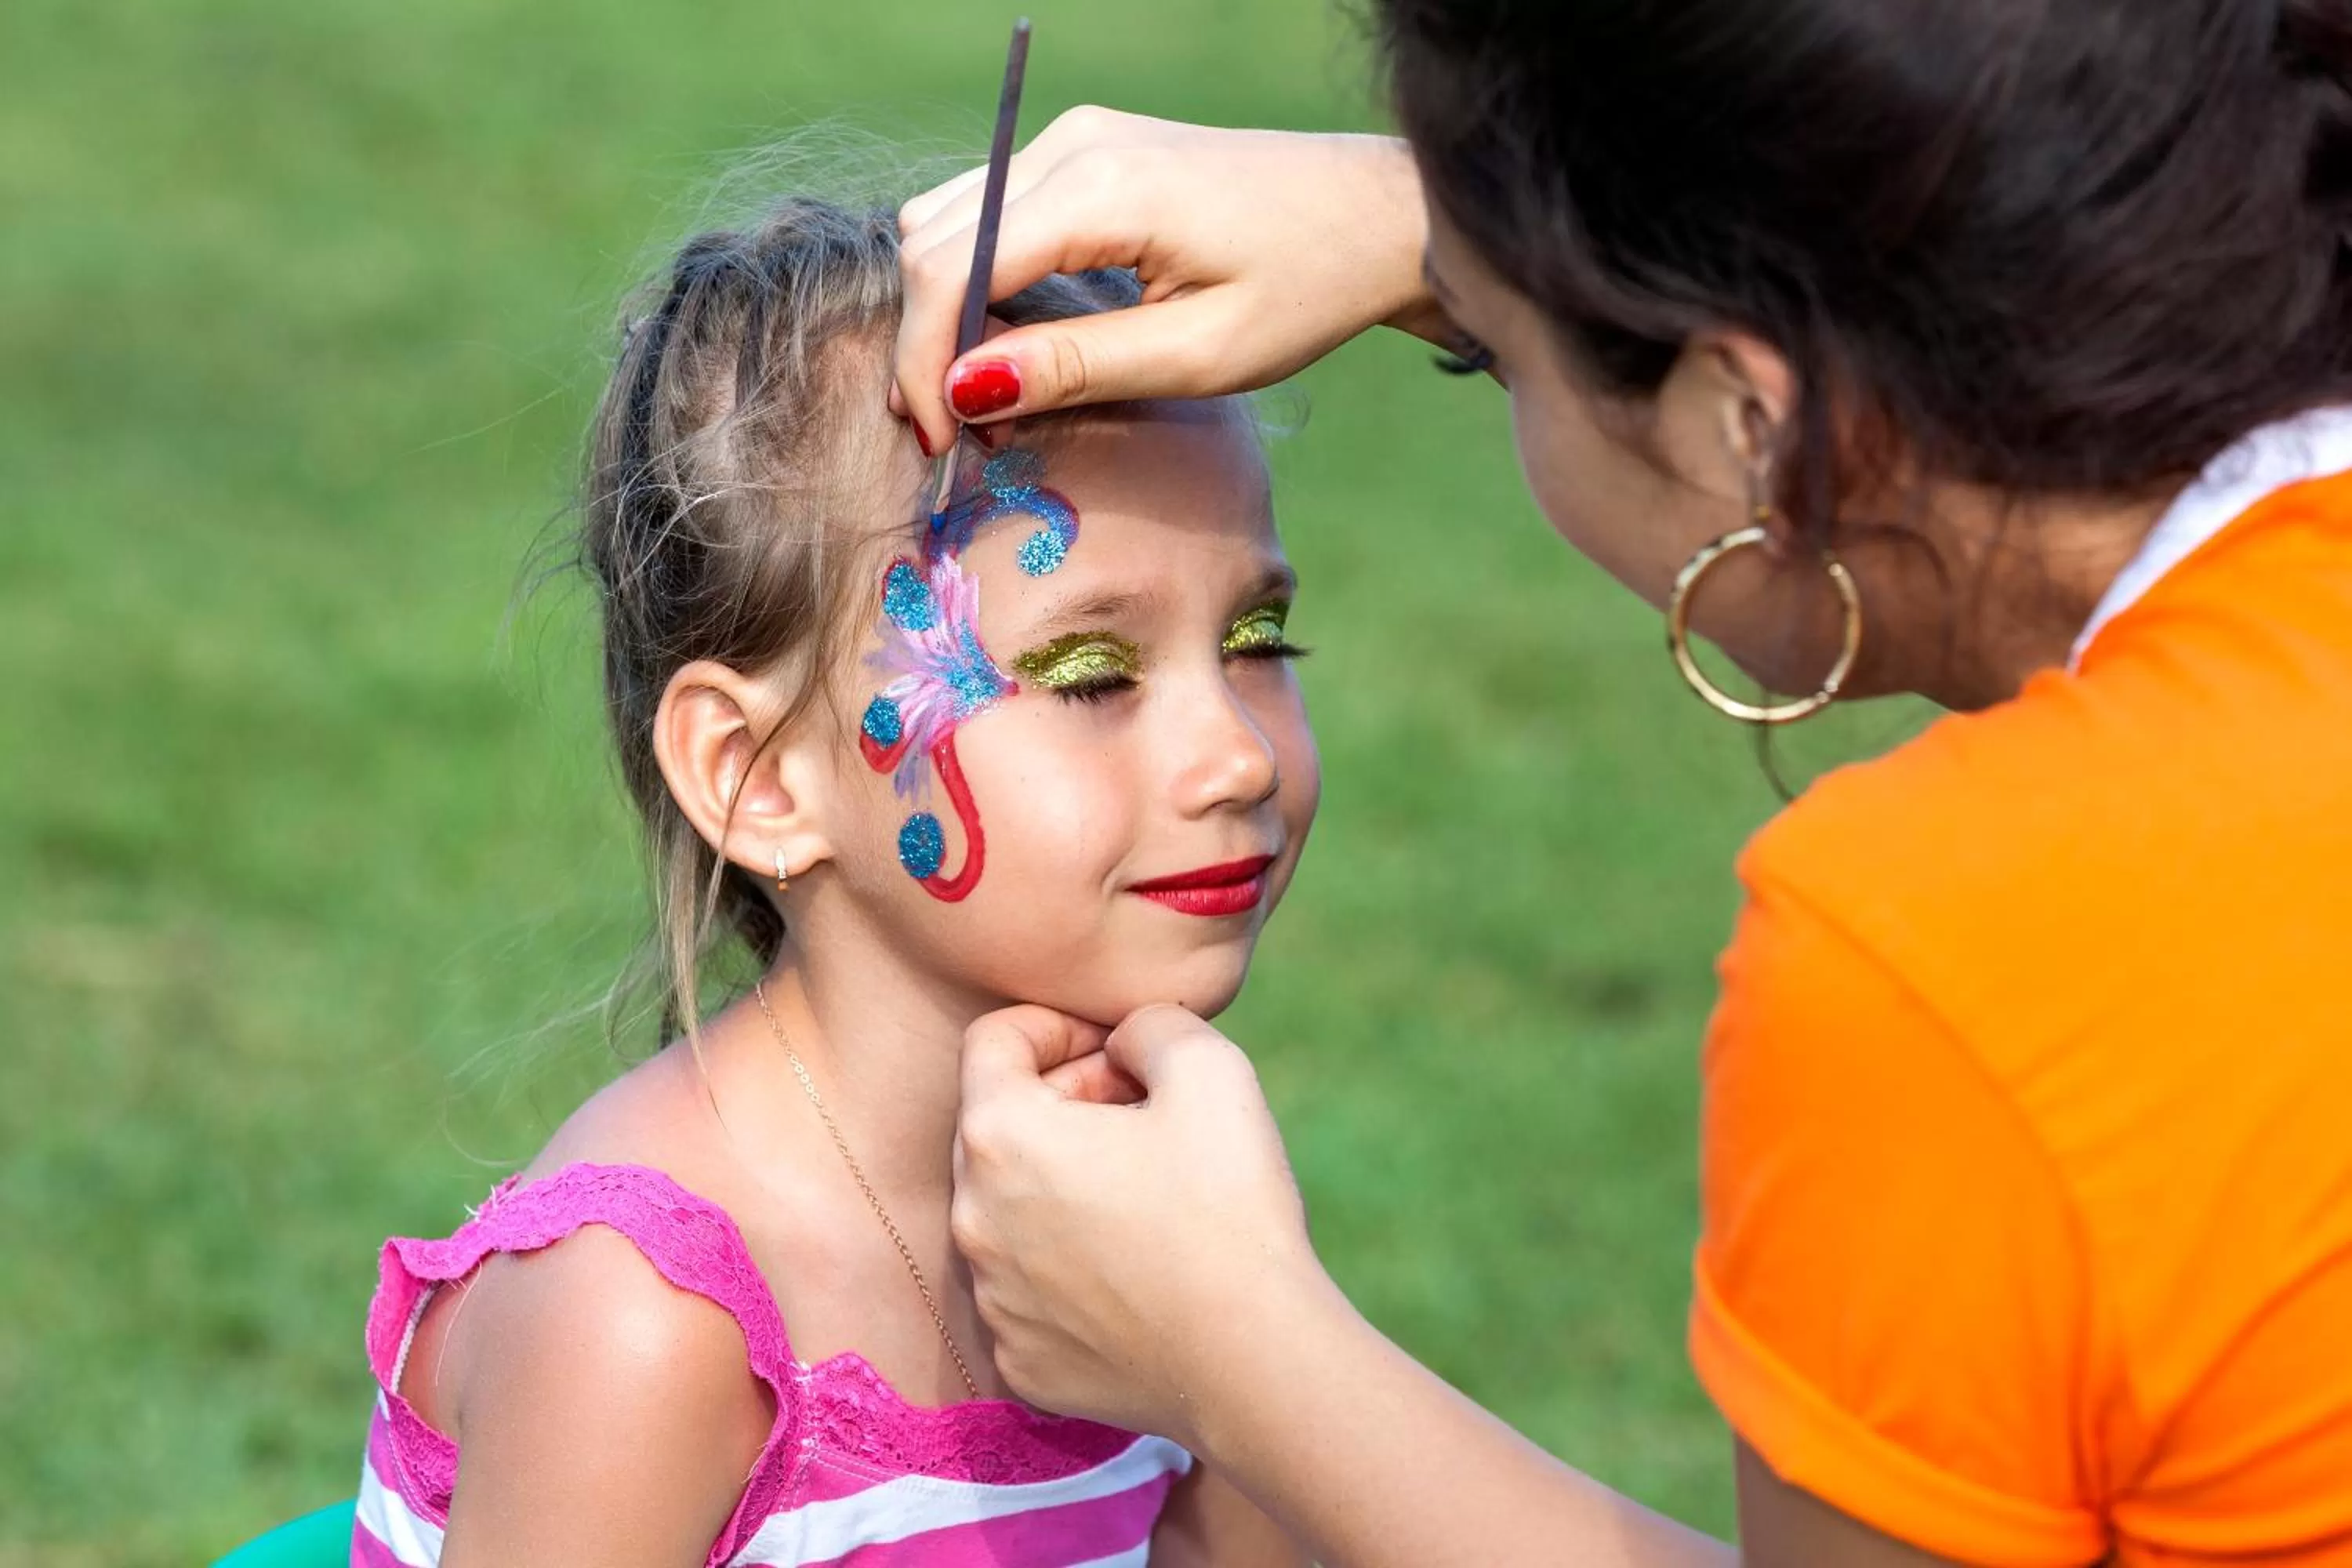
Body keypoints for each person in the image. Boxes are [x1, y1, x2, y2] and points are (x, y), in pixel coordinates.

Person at [894, 3, 2352, 1565]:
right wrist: (1442, 220)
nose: (1236, 752)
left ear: (1751, 427)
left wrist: (1247, 1358)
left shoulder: (1972, 955)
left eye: (1489, 353)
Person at [351, 194, 1313, 1567]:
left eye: (1262, 636)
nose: (1233, 754)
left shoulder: (1172, 1204)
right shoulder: (648, 1323)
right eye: (1093, 672)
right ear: (759, 777)